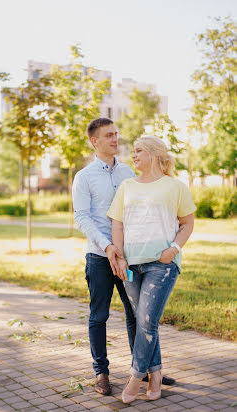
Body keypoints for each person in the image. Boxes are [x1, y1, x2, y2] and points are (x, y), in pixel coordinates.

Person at [72, 119, 175, 396]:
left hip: (129, 258)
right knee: (99, 315)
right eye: (109, 135)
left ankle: (143, 369)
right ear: (95, 141)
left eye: (116, 134)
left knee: (138, 315)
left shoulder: (129, 171)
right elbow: (81, 217)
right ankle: (101, 373)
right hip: (100, 257)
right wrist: (107, 246)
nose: (115, 139)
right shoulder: (84, 177)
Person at [107, 135, 196, 403]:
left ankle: (135, 378)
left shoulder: (175, 186)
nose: (133, 156)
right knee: (147, 322)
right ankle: (155, 375)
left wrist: (174, 250)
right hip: (132, 264)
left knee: (146, 321)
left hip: (162, 263)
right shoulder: (126, 186)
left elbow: (187, 223)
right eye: (133, 152)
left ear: (154, 154)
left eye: (138, 151)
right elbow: (118, 225)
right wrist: (120, 258)